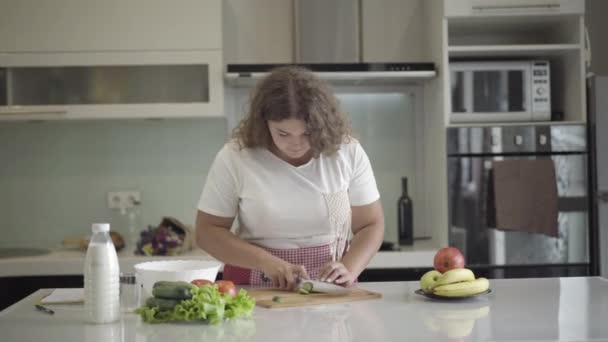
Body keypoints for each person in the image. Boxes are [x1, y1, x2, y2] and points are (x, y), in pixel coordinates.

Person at [195, 66, 384, 289]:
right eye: (283, 133)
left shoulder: (347, 152)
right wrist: (268, 263)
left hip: (331, 288)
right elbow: (207, 232)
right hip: (255, 284)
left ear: (322, 125)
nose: (296, 144)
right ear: (264, 123)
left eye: (307, 133)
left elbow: (371, 224)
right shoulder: (235, 157)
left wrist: (349, 267)